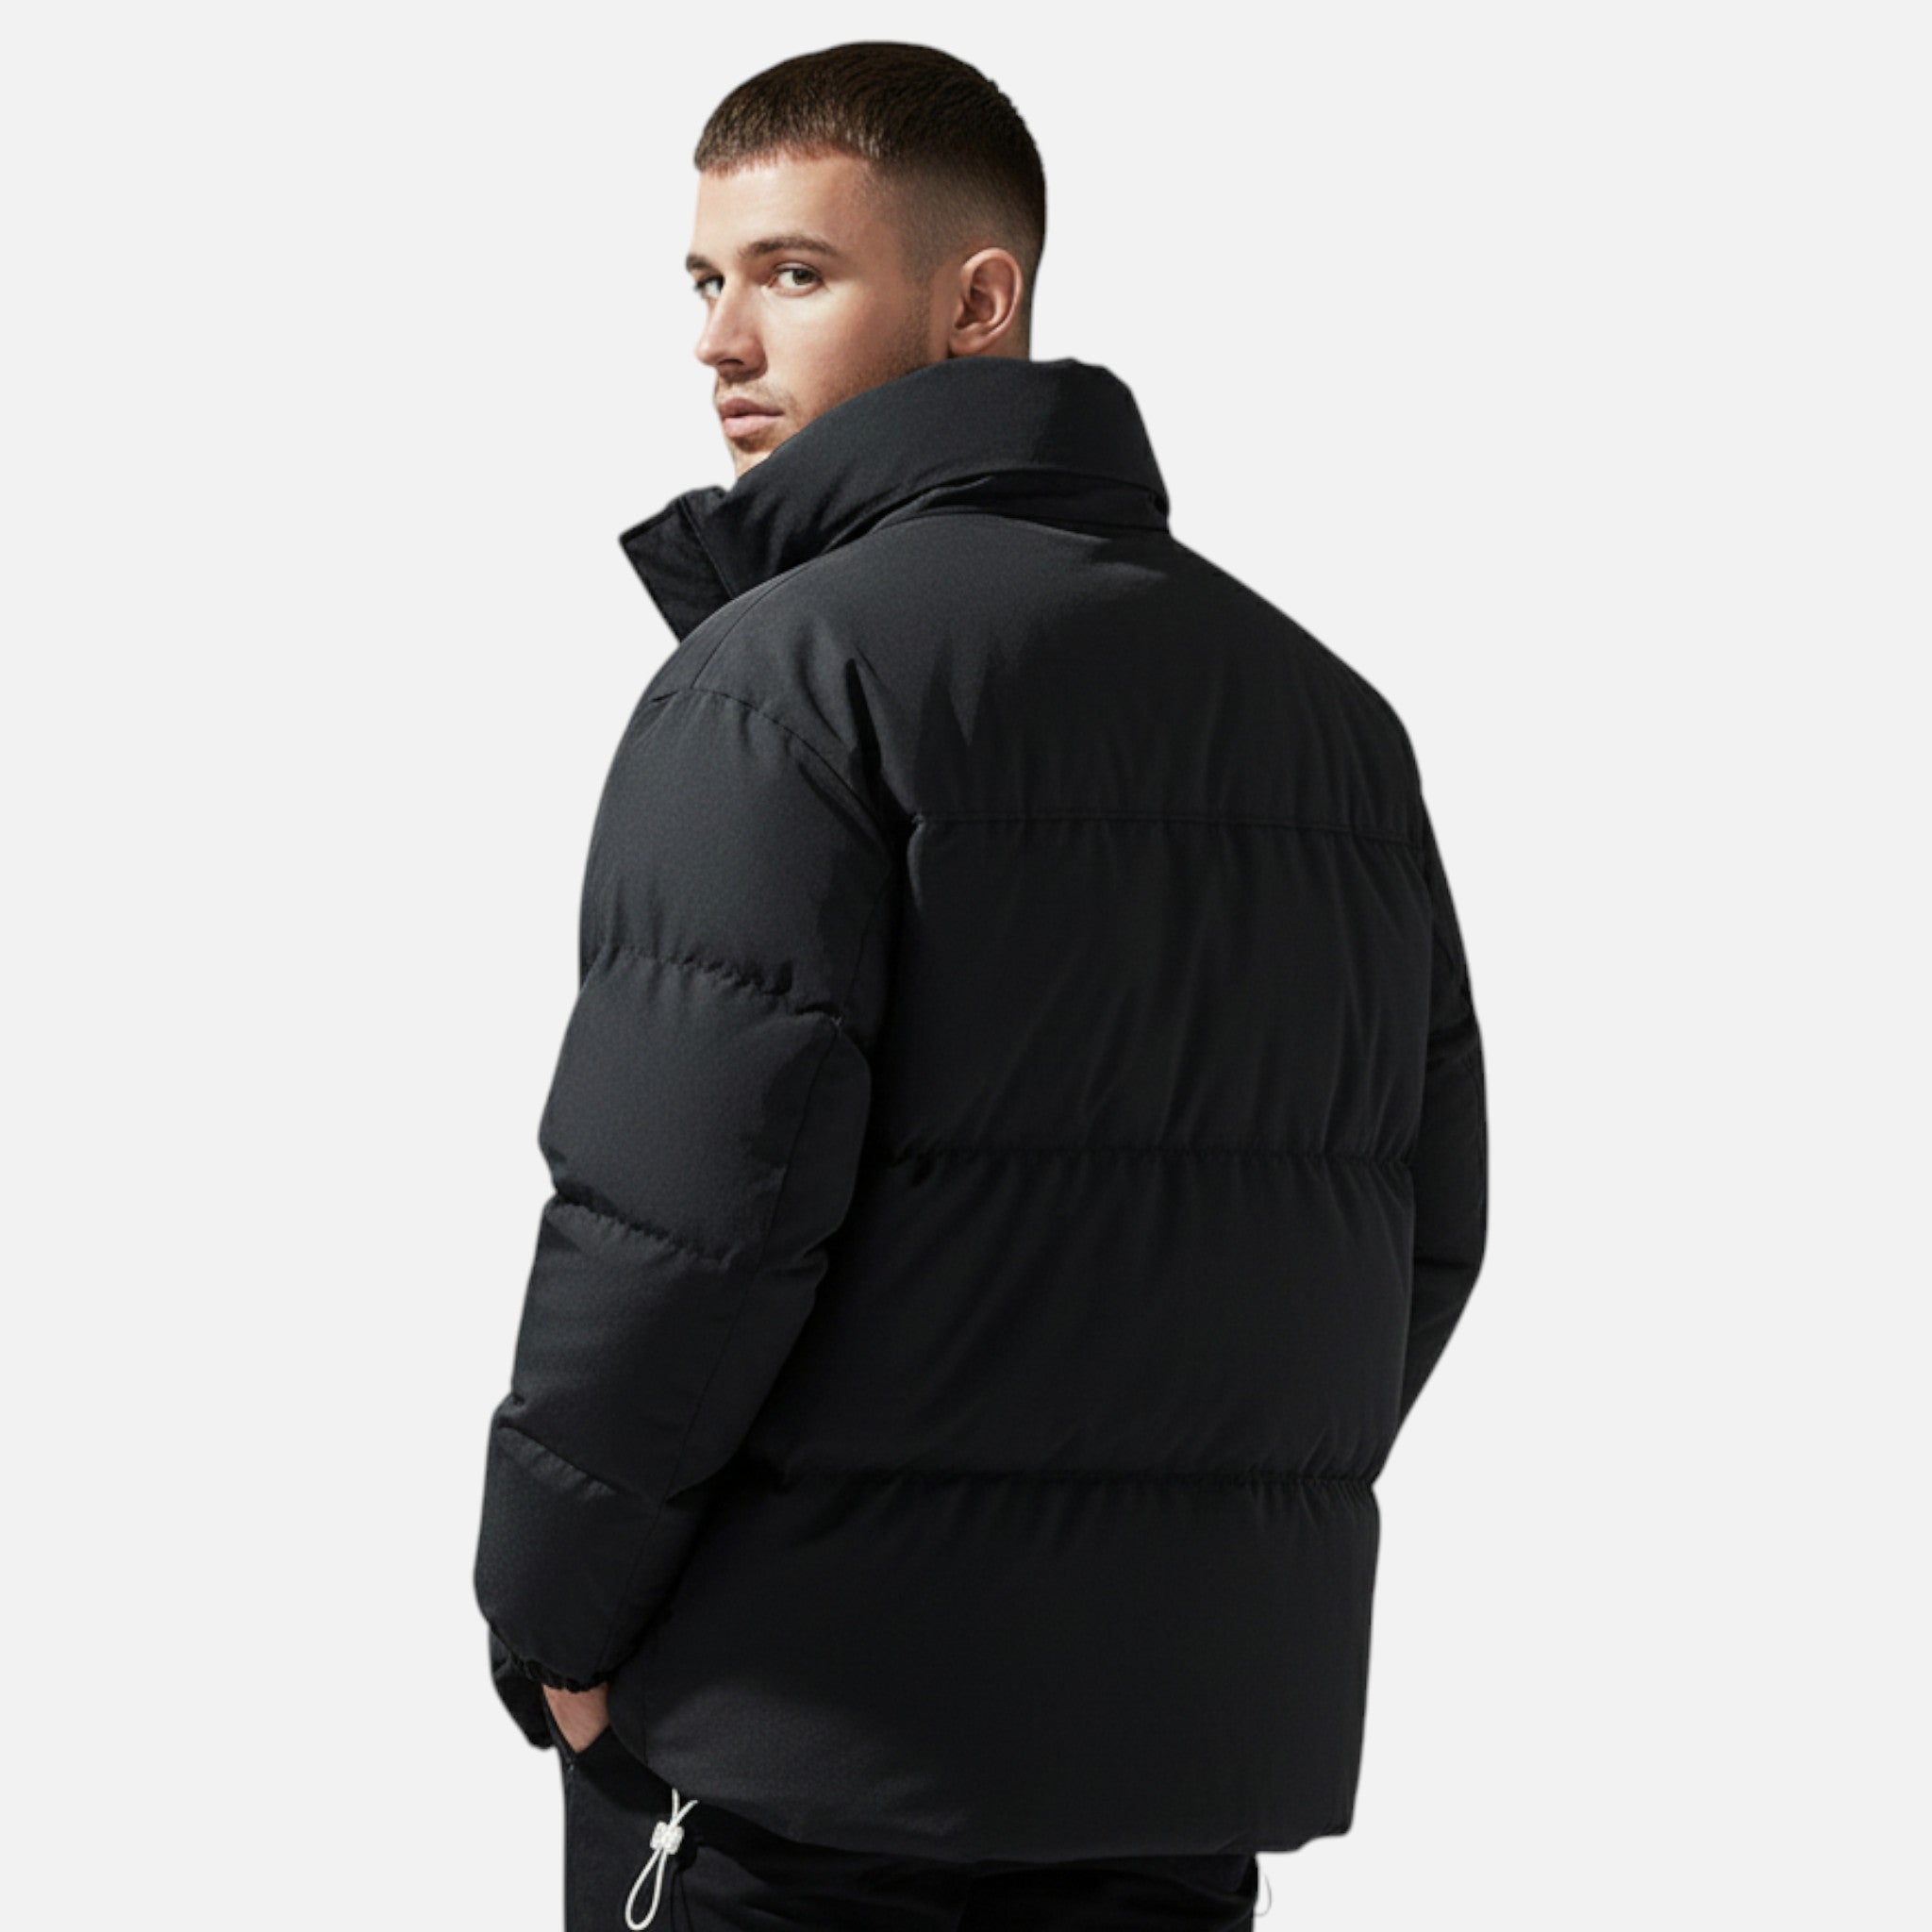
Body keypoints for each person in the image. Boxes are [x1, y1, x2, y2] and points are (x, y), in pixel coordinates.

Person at [472, 39, 1489, 1932]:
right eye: (704, 280)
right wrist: (1190, 1542)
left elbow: (679, 1230)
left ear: (976, 301)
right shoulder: (1328, 723)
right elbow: (1416, 1232)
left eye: (793, 273)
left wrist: (549, 1625)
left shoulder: (782, 684)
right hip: (1176, 1761)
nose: (718, 341)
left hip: (792, 1766)